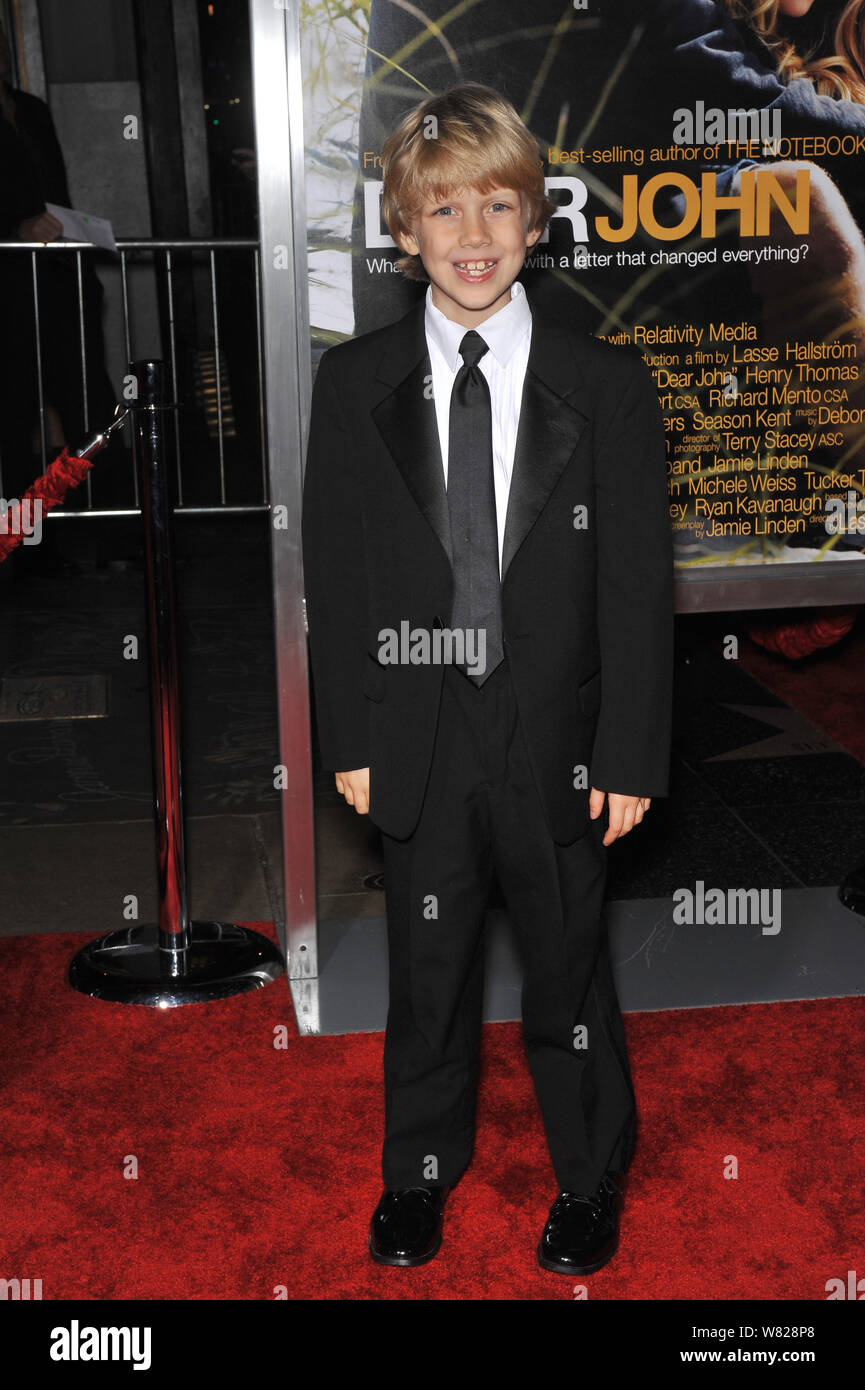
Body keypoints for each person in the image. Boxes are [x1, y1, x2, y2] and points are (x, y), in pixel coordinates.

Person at [301, 83, 674, 1274]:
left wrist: (627, 751)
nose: (472, 236)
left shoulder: (604, 384)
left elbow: (633, 589)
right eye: (444, 212)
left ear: (536, 220)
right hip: (417, 724)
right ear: (402, 231)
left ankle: (587, 1169)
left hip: (553, 727)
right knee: (429, 966)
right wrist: (349, 736)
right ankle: (417, 1171)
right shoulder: (351, 384)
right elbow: (340, 579)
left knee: (568, 966)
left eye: (497, 207)